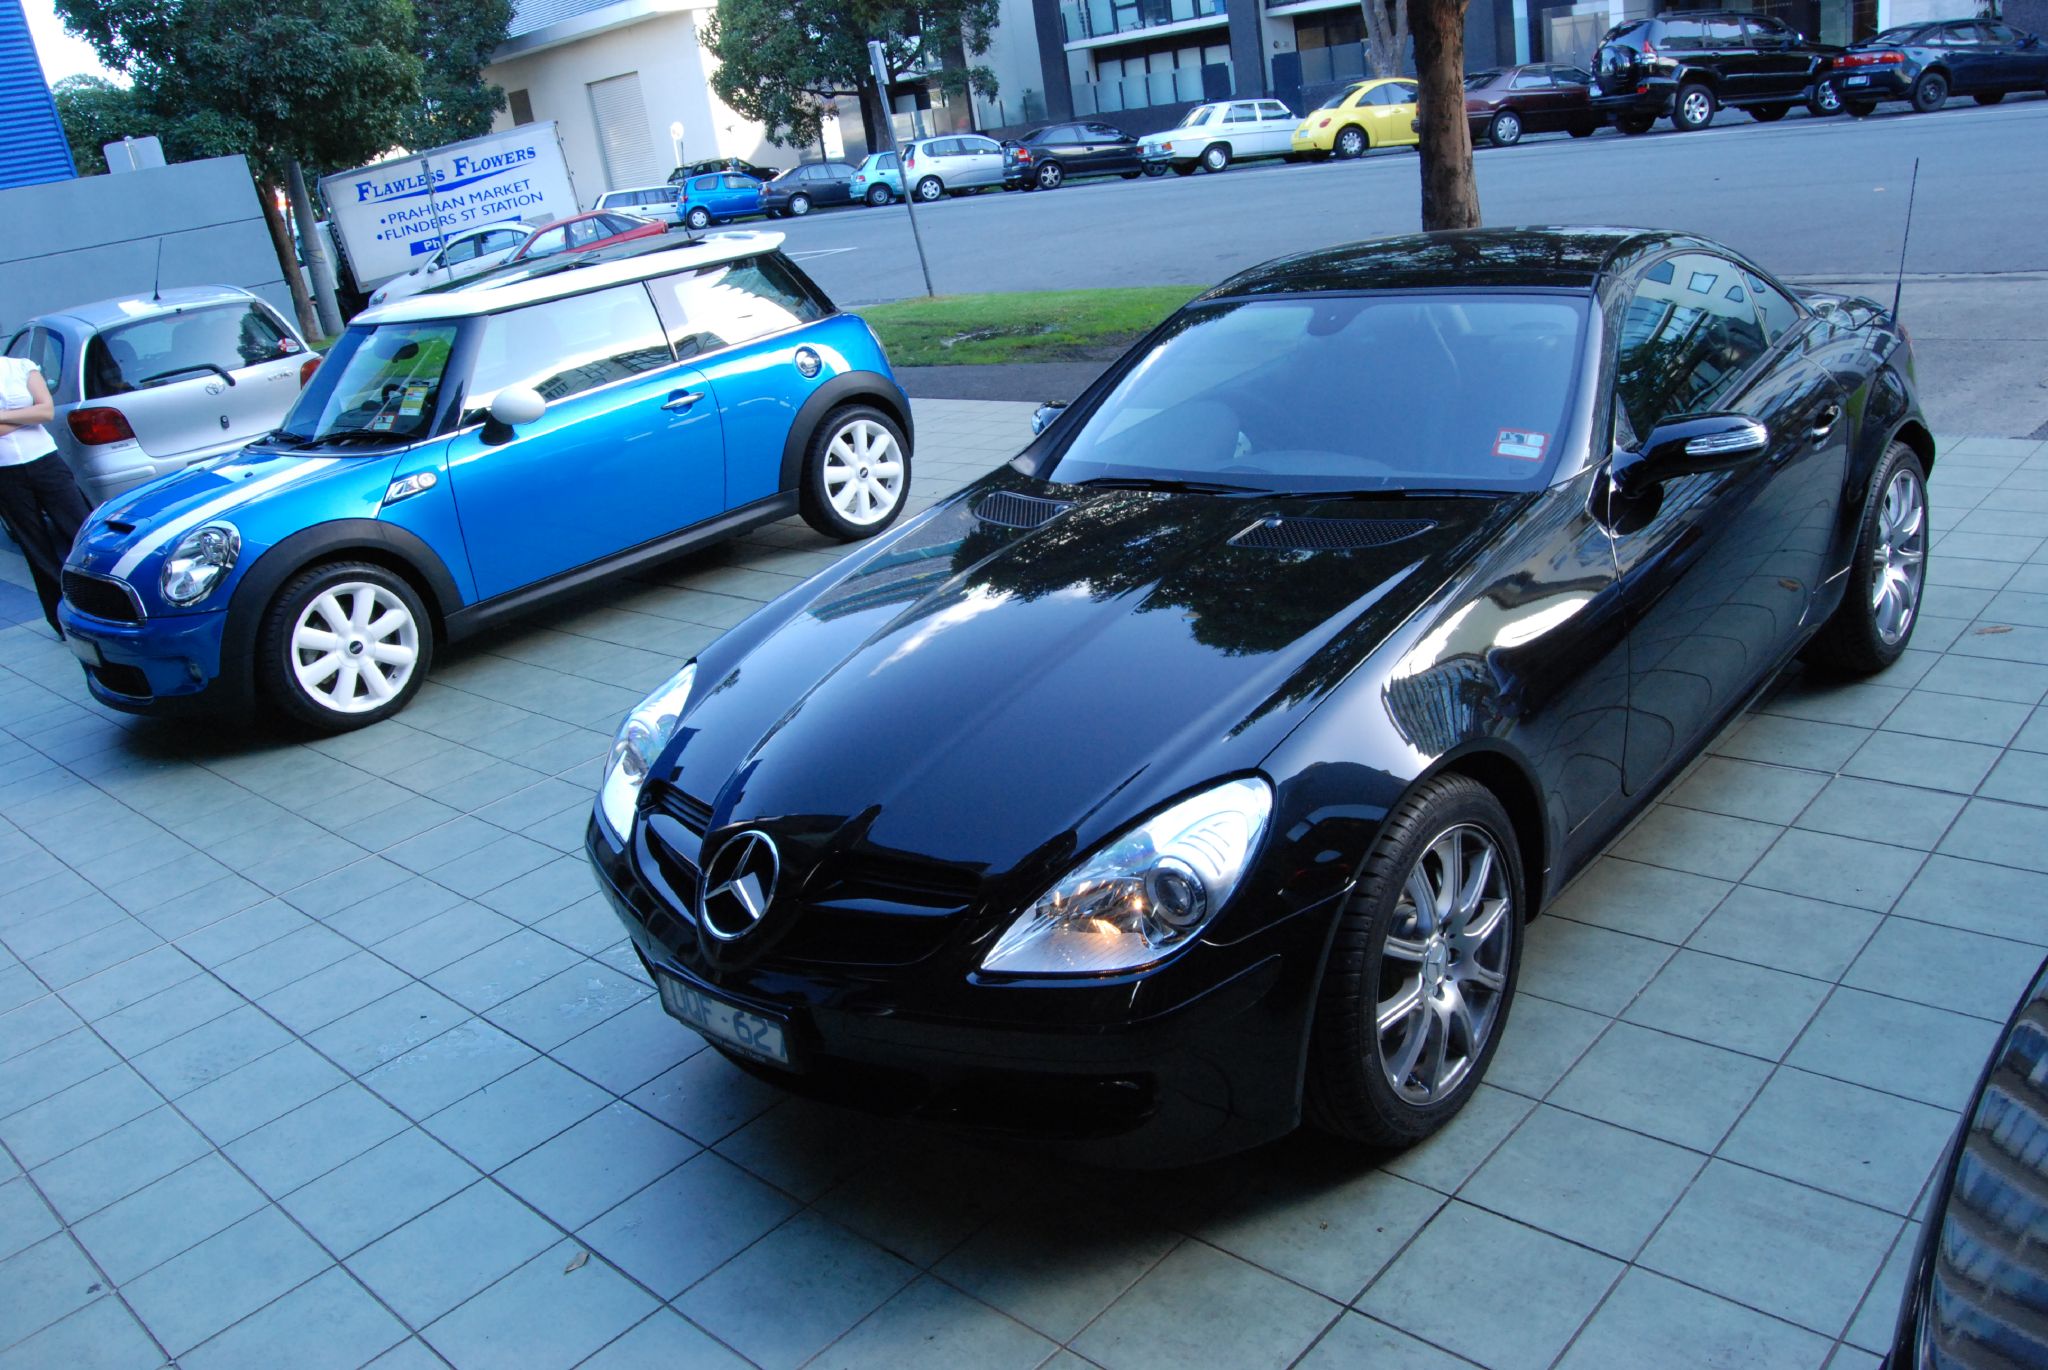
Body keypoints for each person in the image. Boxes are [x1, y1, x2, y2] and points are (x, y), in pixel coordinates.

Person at [0, 355, 92, 639]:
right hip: (5, 473)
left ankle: (102, 603)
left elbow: (45, 411)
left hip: (45, 462)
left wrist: (4, 415)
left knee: (80, 529)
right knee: (35, 546)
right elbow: (34, 412)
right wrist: (24, 413)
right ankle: (62, 621)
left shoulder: (21, 367)